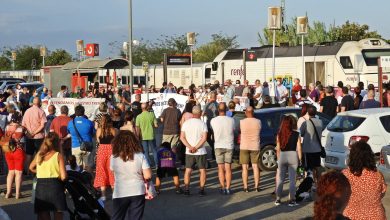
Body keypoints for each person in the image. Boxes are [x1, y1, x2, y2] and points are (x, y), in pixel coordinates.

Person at [110, 130, 152, 220]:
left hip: (120, 191)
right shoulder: (140, 156)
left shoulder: (113, 157)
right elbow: (148, 175)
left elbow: (112, 172)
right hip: (137, 190)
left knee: (117, 217)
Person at [342, 141, 387, 220]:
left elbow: (339, 195)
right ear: (369, 156)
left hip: (351, 216)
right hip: (375, 216)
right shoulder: (378, 175)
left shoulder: (345, 175)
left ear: (352, 156)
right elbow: (382, 194)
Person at [29, 132, 67, 220]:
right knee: (58, 212)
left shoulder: (39, 154)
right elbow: (64, 176)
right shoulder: (58, 155)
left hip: (41, 187)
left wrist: (40, 172)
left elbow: (31, 167)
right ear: (57, 143)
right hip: (55, 185)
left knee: (44, 214)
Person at [180, 106, 208, 196]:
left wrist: (190, 147)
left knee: (188, 170)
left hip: (189, 151)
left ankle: (187, 189)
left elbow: (182, 137)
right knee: (202, 170)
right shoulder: (202, 124)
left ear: (192, 113)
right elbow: (204, 138)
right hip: (200, 151)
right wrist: (196, 147)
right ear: (200, 113)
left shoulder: (186, 123)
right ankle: (201, 190)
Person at [275, 116, 302, 206]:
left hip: (282, 156)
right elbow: (299, 148)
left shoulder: (279, 134)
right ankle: (292, 200)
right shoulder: (296, 134)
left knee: (280, 179)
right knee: (292, 180)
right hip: (293, 156)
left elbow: (278, 149)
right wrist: (300, 159)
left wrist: (278, 160)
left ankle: (278, 199)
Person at [211, 103, 235, 195]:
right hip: (229, 145)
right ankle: (228, 188)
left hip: (218, 145)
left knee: (220, 168)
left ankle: (222, 187)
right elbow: (234, 130)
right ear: (227, 109)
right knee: (228, 168)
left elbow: (213, 131)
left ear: (218, 109)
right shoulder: (231, 120)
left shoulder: (213, 120)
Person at [94, 115, 116, 201]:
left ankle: (103, 195)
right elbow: (115, 141)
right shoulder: (113, 130)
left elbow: (98, 141)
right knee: (112, 171)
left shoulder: (99, 130)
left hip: (102, 150)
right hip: (111, 150)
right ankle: (114, 193)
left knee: (101, 171)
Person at [22, 97, 47, 174]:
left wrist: (28, 133)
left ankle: (27, 170)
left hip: (29, 136)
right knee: (39, 153)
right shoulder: (41, 111)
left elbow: (23, 125)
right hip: (38, 136)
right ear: (39, 103)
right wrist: (34, 133)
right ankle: (38, 170)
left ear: (33, 103)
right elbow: (43, 125)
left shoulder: (27, 111)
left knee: (29, 153)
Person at [240, 106, 262, 192]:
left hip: (244, 146)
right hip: (255, 146)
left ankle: (246, 187)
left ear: (246, 113)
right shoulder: (258, 121)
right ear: (253, 112)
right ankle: (256, 186)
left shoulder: (242, 122)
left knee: (244, 167)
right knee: (255, 166)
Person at [4, 112, 25, 199]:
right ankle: (17, 193)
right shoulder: (21, 128)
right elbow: (27, 136)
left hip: (8, 150)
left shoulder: (7, 127)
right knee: (18, 172)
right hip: (18, 151)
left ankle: (8, 192)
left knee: (11, 172)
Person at [300, 105, 323, 180]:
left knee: (309, 167)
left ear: (308, 113)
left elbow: (302, 134)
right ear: (316, 113)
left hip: (308, 149)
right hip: (317, 148)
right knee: (317, 166)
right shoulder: (320, 122)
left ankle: (311, 182)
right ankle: (319, 181)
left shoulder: (305, 123)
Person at [136, 103, 158, 167]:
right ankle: (157, 164)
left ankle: (148, 164)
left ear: (141, 108)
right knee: (154, 150)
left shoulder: (138, 116)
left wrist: (137, 137)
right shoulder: (152, 114)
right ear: (147, 107)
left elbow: (138, 129)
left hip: (143, 136)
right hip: (151, 135)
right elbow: (156, 125)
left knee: (146, 152)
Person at [203, 92, 219, 159]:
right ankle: (214, 150)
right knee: (215, 139)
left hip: (209, 122)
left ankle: (213, 149)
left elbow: (203, 113)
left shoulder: (206, 105)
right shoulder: (218, 104)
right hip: (216, 123)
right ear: (215, 97)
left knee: (207, 138)